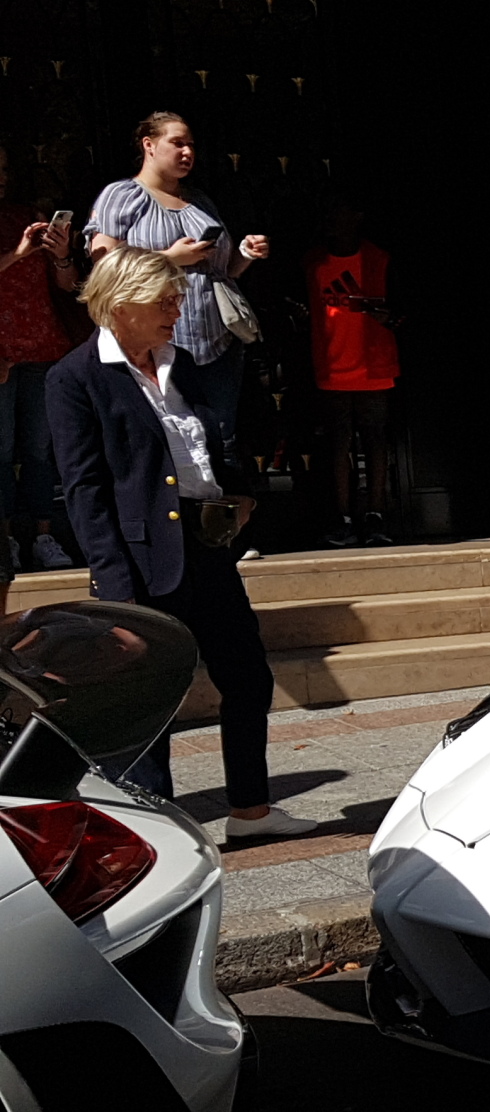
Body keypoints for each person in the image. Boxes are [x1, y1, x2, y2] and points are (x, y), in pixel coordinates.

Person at [46, 247, 312, 842]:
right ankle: (160, 833)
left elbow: (210, 441)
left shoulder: (181, 361)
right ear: (120, 305)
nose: (177, 309)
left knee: (247, 677)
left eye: (178, 298)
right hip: (140, 562)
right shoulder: (75, 378)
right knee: (150, 699)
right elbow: (86, 491)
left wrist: (238, 490)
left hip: (207, 546)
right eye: (164, 300)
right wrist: (113, 590)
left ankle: (251, 812)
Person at [83, 112, 269, 462]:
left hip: (215, 342)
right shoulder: (122, 195)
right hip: (157, 344)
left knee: (220, 440)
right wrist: (169, 258)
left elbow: (222, 271)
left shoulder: (200, 201)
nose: (187, 152)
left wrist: (245, 253)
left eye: (191, 145)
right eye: (177, 143)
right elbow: (103, 262)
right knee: (166, 441)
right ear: (149, 145)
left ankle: (218, 515)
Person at [0, 139, 81, 570]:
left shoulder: (23, 217)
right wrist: (17, 254)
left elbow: (66, 287)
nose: (2, 178)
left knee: (38, 450)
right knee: (0, 451)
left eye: (5, 169)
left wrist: (61, 253)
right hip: (3, 351)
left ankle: (44, 536)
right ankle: (7, 537)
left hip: (43, 346)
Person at [305, 194, 399, 547]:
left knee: (375, 440)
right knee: (338, 443)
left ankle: (376, 514)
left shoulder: (379, 258)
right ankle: (342, 516)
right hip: (330, 364)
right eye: (329, 214)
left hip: (375, 363)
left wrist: (388, 315)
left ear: (356, 216)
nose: (334, 220)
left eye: (340, 212)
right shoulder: (313, 262)